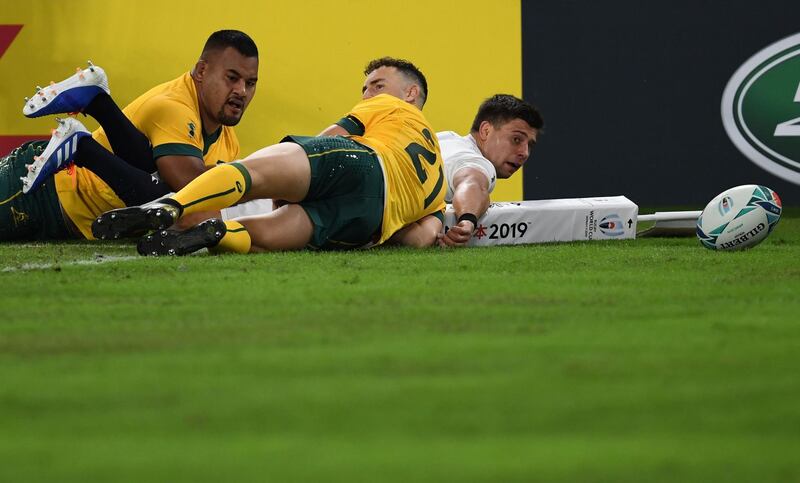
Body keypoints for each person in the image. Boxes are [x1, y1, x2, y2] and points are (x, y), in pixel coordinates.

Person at [93, 57, 447, 256]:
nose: (368, 93)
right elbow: (421, 236)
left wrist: (298, 171)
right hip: (366, 221)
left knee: (250, 174)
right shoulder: (439, 177)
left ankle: (172, 206)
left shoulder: (392, 109)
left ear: (411, 93)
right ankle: (216, 234)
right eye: (366, 88)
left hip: (360, 162)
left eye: (377, 85)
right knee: (266, 236)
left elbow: (328, 140)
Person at [0, 29, 258, 241]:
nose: (242, 91)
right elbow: (189, 189)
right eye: (232, 78)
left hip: (72, 219)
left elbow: (199, 209)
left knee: (168, 203)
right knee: (168, 200)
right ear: (201, 71)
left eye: (250, 83)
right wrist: (257, 187)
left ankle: (94, 114)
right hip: (42, 191)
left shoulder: (227, 140)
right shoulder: (174, 107)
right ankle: (84, 145)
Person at [437, 94, 543, 247]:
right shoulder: (474, 161)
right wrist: (467, 221)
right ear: (486, 131)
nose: (525, 153)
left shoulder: (444, 138)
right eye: (516, 139)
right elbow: (472, 181)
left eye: (530, 145)